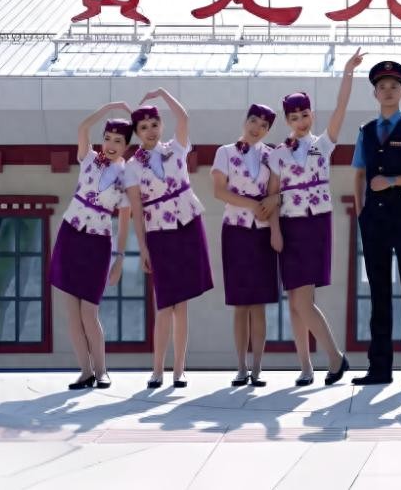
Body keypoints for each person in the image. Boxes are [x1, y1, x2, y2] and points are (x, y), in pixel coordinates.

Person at [267, 48, 366, 386]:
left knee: (303, 299)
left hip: (316, 224)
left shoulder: (323, 144)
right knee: (295, 300)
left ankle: (335, 357)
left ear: (312, 114)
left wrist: (348, 71)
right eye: (294, 117)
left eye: (305, 114)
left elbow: (341, 108)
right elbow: (272, 196)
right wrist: (275, 231)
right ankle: (306, 367)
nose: (301, 121)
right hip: (289, 226)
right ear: (287, 121)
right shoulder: (277, 154)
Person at [350, 61, 401, 390]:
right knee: (378, 291)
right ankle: (379, 367)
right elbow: (359, 173)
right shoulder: (365, 131)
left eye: (394, 87)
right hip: (374, 218)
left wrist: (393, 181)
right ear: (375, 93)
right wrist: (361, 212)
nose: (388, 91)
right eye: (382, 87)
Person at [124, 89, 213, 389]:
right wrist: (143, 248)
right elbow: (136, 211)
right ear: (137, 133)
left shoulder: (177, 148)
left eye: (154, 124)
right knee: (163, 304)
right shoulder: (132, 167)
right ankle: (157, 370)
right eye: (143, 127)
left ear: (161, 125)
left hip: (187, 225)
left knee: (181, 304)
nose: (150, 130)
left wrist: (163, 93)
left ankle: (179, 370)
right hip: (158, 232)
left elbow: (184, 117)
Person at [49, 103, 133, 390]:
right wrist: (109, 107)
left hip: (98, 242)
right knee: (72, 312)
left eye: (118, 140)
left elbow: (124, 220)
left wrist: (119, 258)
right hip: (70, 235)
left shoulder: (127, 177)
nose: (110, 144)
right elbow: (83, 127)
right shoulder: (88, 158)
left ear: (126, 146)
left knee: (89, 312)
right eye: (107, 138)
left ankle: (101, 371)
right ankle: (85, 372)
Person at [211, 104, 281, 388]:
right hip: (236, 231)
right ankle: (240, 367)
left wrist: (275, 229)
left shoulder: (272, 155)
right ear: (245, 121)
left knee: (259, 304)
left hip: (262, 234)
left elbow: (276, 194)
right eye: (253, 121)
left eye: (264, 125)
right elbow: (219, 191)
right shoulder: (225, 152)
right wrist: (253, 204)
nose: (257, 128)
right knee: (241, 303)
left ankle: (257, 369)